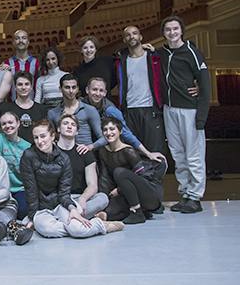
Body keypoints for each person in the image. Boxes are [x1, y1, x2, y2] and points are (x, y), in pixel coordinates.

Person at [19, 120, 123, 238]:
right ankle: (83, 225)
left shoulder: (64, 159)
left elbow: (64, 193)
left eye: (43, 136)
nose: (39, 141)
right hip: (41, 209)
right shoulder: (28, 156)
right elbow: (31, 190)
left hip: (60, 204)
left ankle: (101, 226)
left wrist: (72, 209)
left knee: (78, 230)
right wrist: (33, 218)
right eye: (36, 138)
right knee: (51, 231)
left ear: (53, 136)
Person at [160, 16, 210, 214]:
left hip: (189, 110)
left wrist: (201, 118)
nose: (171, 33)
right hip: (169, 110)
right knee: (178, 154)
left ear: (181, 31)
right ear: (164, 33)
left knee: (194, 155)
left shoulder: (193, 53)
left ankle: (196, 197)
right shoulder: (161, 54)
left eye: (175, 29)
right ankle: (186, 194)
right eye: (168, 29)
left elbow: (205, 88)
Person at [99, 117, 166, 224]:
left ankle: (137, 212)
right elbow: (104, 177)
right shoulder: (103, 151)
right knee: (108, 213)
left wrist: (119, 190)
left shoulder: (128, 150)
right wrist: (105, 196)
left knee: (119, 172)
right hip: (127, 195)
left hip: (149, 194)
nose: (108, 132)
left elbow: (144, 176)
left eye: (112, 129)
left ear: (120, 131)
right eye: (105, 130)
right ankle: (143, 211)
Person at [85, 76, 166, 161]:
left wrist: (148, 153)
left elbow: (126, 133)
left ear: (105, 93)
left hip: (112, 149)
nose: (97, 93)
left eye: (101, 91)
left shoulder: (110, 110)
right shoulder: (82, 104)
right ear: (87, 90)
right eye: (94, 89)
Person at [115, 25, 167, 154]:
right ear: (124, 40)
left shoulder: (155, 57)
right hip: (129, 111)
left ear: (141, 37)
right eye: (128, 35)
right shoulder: (120, 61)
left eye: (135, 33)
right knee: (133, 152)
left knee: (155, 151)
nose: (131, 36)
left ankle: (154, 175)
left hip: (151, 110)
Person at [55, 114, 109, 219]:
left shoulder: (85, 153)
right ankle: (87, 218)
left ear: (77, 131)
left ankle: (68, 217)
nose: (69, 126)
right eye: (65, 124)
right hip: (59, 198)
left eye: (73, 125)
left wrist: (83, 198)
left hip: (79, 197)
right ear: (58, 129)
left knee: (103, 198)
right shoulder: (51, 152)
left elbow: (92, 185)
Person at [0, 111, 31, 220]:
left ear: (18, 124)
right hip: (1, 187)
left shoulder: (27, 146)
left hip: (19, 188)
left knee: (23, 211)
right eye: (4, 124)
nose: (7, 126)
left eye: (10, 122)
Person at [47, 74, 103, 148]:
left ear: (77, 89)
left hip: (85, 154)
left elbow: (103, 138)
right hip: (63, 155)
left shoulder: (89, 110)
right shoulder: (52, 113)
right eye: (67, 87)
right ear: (60, 89)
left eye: (74, 87)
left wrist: (90, 147)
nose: (71, 91)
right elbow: (51, 138)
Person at [1, 71, 48, 143]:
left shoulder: (41, 109)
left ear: (31, 87)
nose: (23, 87)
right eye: (20, 84)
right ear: (15, 87)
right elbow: (2, 134)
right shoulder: (6, 109)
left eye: (26, 84)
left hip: (36, 150)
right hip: (12, 149)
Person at [7, 30, 39, 99]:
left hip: (32, 105)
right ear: (13, 43)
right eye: (17, 38)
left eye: (24, 38)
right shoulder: (6, 64)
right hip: (13, 106)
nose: (20, 40)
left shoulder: (37, 63)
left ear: (28, 42)